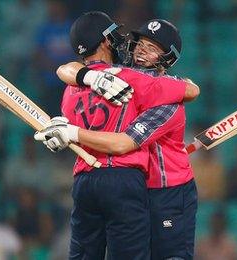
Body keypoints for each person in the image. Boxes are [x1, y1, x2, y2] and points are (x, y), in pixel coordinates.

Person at [33, 12, 199, 259]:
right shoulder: (123, 76)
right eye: (140, 44)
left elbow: (190, 89)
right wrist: (88, 75)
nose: (141, 51)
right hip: (131, 184)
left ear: (167, 58)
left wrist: (71, 132)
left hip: (167, 191)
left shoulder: (165, 98)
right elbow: (68, 68)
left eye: (151, 48)